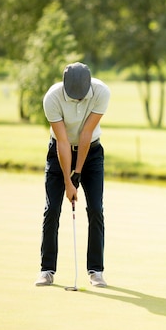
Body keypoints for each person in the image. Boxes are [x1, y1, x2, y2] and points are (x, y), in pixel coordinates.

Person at [35, 62, 110, 288]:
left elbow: (86, 133)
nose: (77, 99)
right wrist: (68, 181)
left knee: (96, 208)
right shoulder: (52, 98)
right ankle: (46, 270)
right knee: (52, 209)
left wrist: (78, 172)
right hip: (60, 151)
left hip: (92, 153)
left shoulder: (101, 92)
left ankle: (96, 271)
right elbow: (64, 141)